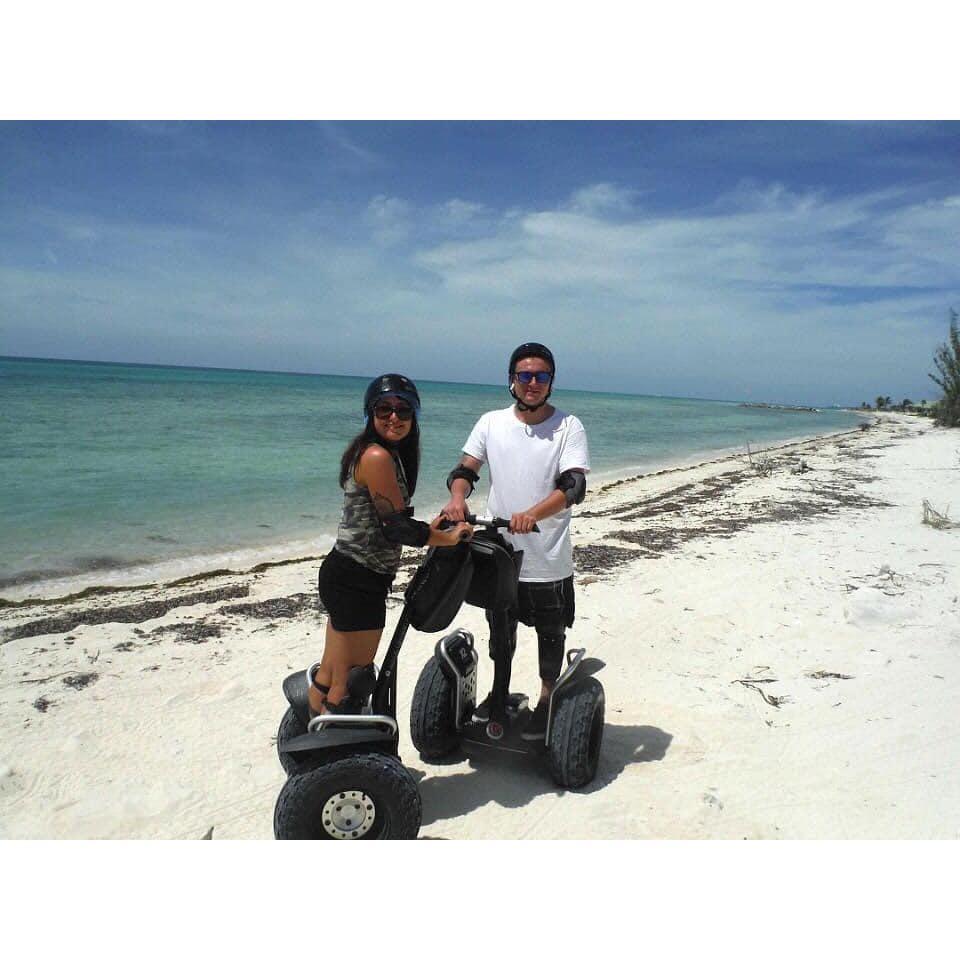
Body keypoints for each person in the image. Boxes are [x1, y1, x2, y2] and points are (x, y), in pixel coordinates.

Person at [442, 343, 590, 740]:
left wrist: (534, 514)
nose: (532, 383)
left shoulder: (568, 426)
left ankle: (546, 699)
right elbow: (465, 469)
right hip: (501, 554)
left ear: (551, 382)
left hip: (547, 555)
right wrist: (457, 498)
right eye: (525, 375)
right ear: (512, 380)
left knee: (550, 633)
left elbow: (573, 486)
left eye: (541, 376)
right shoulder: (491, 422)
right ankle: (499, 692)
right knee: (500, 630)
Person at [309, 374, 472, 717]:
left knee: (332, 673)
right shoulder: (377, 456)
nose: (394, 417)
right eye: (384, 409)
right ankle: (332, 743)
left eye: (403, 410)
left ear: (414, 417)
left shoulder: (383, 453)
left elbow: (386, 520)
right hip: (357, 579)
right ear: (370, 413)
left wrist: (430, 530)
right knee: (352, 681)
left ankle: (312, 728)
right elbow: (396, 528)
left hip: (347, 572)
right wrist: (449, 538)